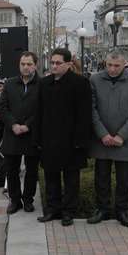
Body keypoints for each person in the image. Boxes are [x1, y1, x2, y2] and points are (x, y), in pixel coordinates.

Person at [36, 48, 92, 226]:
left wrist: (80, 141)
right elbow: (39, 113)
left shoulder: (80, 83)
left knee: (71, 179)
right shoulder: (44, 83)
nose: (54, 66)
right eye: (52, 62)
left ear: (68, 64)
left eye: (58, 63)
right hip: (49, 140)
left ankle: (68, 212)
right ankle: (53, 210)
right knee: (51, 177)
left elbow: (84, 115)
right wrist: (38, 139)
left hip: (71, 142)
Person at [87, 51, 128, 227]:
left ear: (124, 64)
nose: (112, 69)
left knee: (125, 179)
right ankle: (102, 210)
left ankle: (122, 211)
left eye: (117, 66)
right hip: (102, 139)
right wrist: (103, 134)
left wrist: (122, 135)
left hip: (126, 141)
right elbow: (91, 110)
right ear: (105, 64)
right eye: (109, 65)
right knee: (101, 177)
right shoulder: (95, 80)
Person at [0, 51, 40, 214]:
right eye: (23, 64)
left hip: (32, 134)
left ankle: (28, 200)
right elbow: (2, 108)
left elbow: (42, 109)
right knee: (12, 170)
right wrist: (13, 124)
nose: (25, 67)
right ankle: (15, 201)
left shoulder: (42, 84)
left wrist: (28, 125)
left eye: (29, 64)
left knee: (32, 171)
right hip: (12, 134)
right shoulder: (9, 83)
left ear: (35, 65)